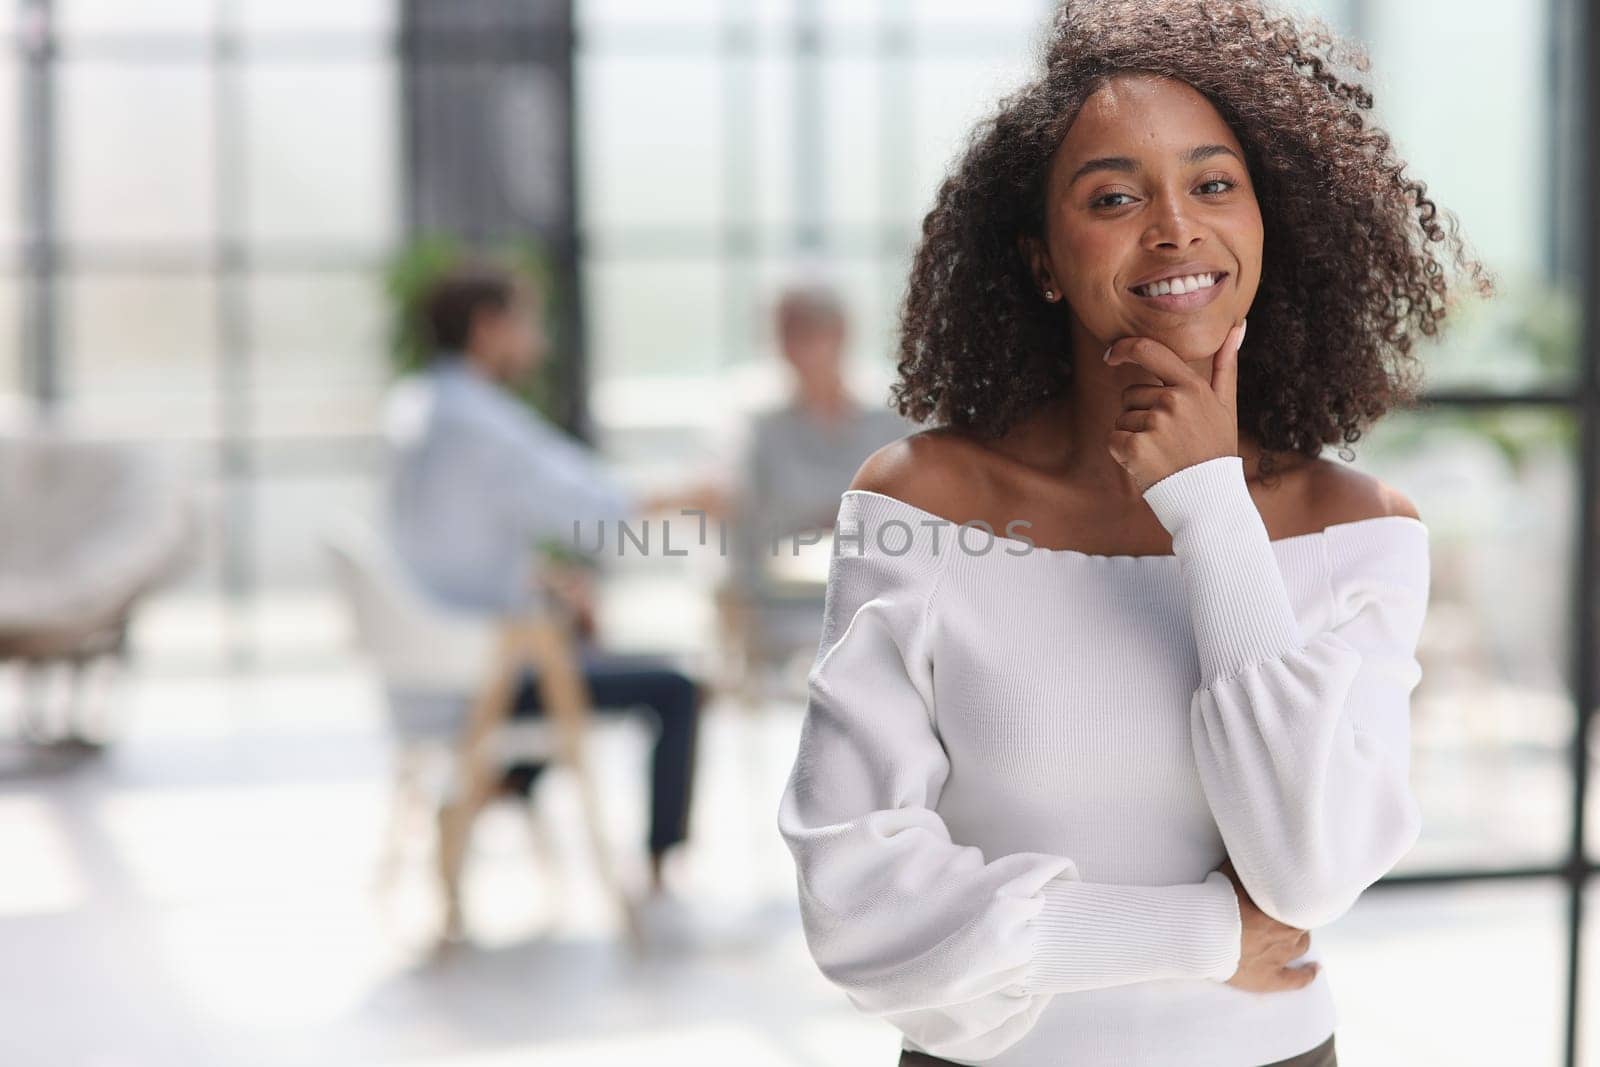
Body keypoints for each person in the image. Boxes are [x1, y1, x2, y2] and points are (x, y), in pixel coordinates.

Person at [777, 2, 1489, 1065]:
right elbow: (854, 901)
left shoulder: (1360, 529)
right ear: (1042, 261)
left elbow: (1305, 869)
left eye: (1213, 185)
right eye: (1113, 196)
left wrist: (1209, 501)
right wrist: (1202, 934)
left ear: (1264, 226)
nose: (1174, 226)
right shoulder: (923, 503)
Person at [384, 261, 714, 918]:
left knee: (573, 638)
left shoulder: (419, 407)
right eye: (528, 323)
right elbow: (596, 507)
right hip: (481, 674)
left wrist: (537, 578)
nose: (539, 342)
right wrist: (694, 496)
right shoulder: (482, 423)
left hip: (433, 652)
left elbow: (447, 540)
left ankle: (498, 784)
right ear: (488, 328)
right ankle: (658, 876)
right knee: (678, 687)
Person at [714, 280, 915, 679]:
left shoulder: (892, 417)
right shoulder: (758, 427)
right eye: (786, 334)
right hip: (784, 609)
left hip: (879, 601)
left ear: (841, 334)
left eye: (809, 330)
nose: (797, 347)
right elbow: (741, 518)